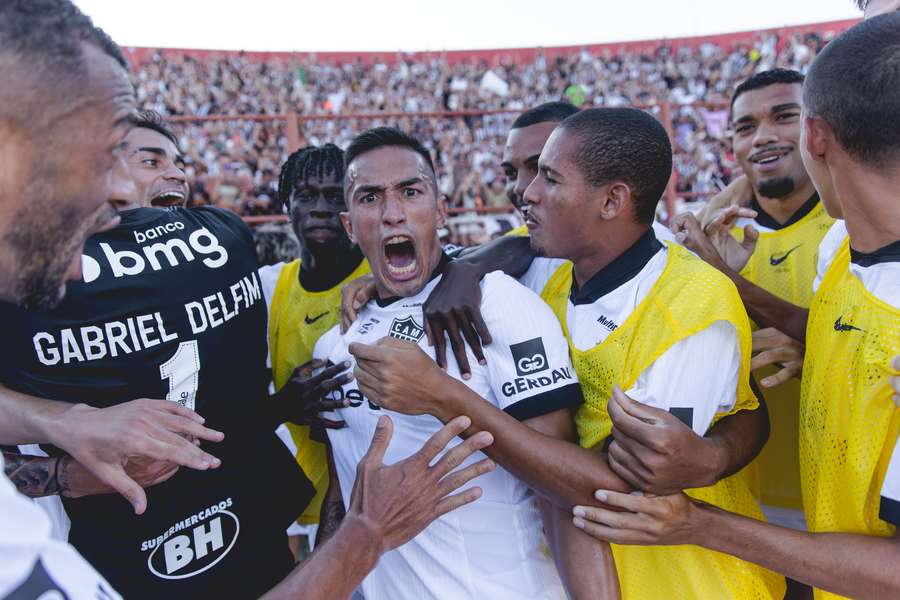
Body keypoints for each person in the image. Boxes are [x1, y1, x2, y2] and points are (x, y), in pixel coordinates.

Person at [0, 2, 493, 597]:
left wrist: (462, 270)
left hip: (259, 519)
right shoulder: (238, 252)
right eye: (107, 156)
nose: (122, 190)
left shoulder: (254, 257)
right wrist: (367, 531)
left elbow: (502, 247)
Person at [349, 111, 784, 599]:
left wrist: (442, 395)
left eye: (547, 177)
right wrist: (424, 281)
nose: (526, 193)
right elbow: (495, 254)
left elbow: (624, 492)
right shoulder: (552, 277)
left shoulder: (692, 301)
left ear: (612, 199)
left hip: (691, 583)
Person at [573, 15, 900, 599]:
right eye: (745, 128)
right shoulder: (846, 250)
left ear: (816, 137)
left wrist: (699, 524)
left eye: (787, 120)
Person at [319, 127, 618, 599]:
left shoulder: (498, 307)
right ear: (350, 225)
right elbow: (342, 498)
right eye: (370, 197)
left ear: (439, 211)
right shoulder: (334, 343)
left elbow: (574, 492)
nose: (393, 213)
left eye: (410, 192)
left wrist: (441, 396)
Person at [708, 68, 835, 532]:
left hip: (852, 496)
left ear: (817, 126)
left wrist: (820, 350)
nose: (763, 137)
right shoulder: (708, 240)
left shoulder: (857, 225)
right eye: (745, 128)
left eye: (784, 116)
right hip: (749, 500)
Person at [258, 143, 370, 545]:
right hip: (297, 500)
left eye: (335, 195)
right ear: (286, 205)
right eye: (306, 195)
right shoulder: (268, 288)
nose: (321, 207)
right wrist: (284, 405)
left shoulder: (385, 279)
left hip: (375, 503)